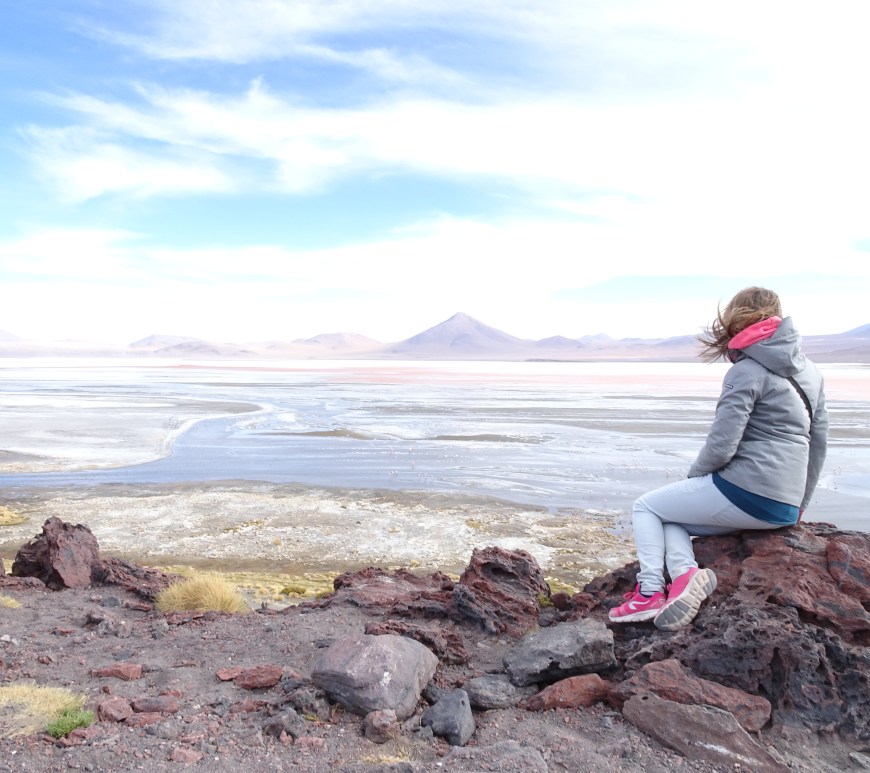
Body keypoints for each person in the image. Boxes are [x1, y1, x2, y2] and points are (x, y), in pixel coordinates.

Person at [609, 287, 828, 630]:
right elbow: (819, 443)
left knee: (647, 507)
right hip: (783, 509)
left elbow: (723, 444)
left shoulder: (746, 371)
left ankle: (649, 592)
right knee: (673, 518)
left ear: (734, 318)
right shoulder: (811, 372)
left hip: (747, 491)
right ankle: (685, 577)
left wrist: (695, 479)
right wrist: (800, 505)